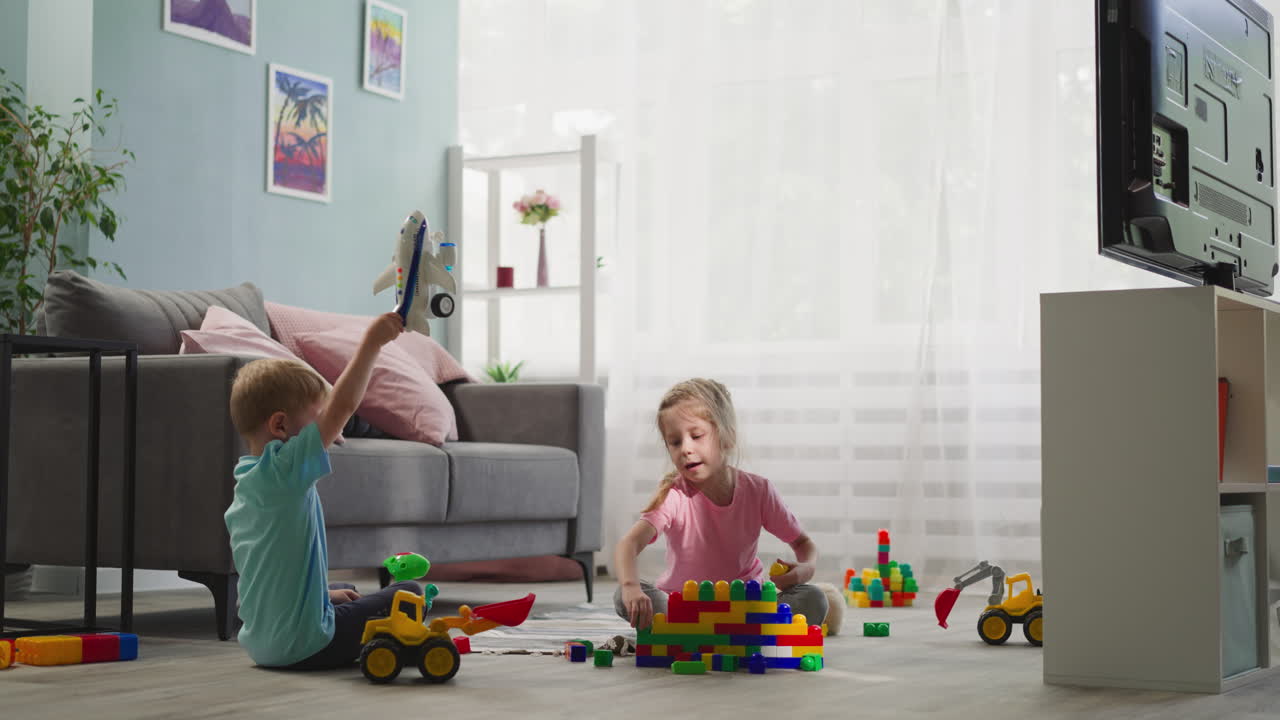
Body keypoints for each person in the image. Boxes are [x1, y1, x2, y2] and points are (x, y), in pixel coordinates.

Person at [224, 312, 421, 668]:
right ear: (281, 425)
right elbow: (343, 406)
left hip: (260, 646)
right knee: (408, 594)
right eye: (317, 419)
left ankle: (333, 614)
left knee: (349, 594)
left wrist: (325, 596)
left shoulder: (249, 484)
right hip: (309, 645)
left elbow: (266, 576)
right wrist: (372, 343)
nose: (328, 432)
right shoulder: (285, 468)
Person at [613, 378, 836, 632]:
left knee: (814, 599)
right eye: (675, 442)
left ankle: (713, 633)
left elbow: (803, 543)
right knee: (623, 596)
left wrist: (804, 570)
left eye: (696, 436)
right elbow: (628, 544)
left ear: (726, 436)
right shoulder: (674, 494)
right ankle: (733, 635)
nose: (686, 448)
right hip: (684, 607)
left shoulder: (758, 491)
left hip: (746, 607)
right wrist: (631, 588)